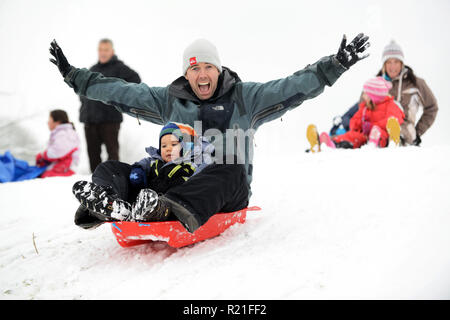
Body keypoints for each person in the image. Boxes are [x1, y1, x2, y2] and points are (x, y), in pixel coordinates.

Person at [49, 33, 370, 233]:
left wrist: (333, 66)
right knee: (112, 168)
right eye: (194, 68)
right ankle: (109, 203)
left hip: (226, 193)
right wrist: (77, 77)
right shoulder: (170, 100)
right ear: (186, 74)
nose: (201, 74)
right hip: (170, 183)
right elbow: (125, 93)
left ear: (218, 69)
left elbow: (291, 86)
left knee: (229, 165)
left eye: (207, 67)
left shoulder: (247, 98)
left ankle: (165, 207)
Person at [73, 122, 214, 229]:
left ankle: (97, 212)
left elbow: (206, 180)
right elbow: (140, 165)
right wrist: (137, 170)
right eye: (164, 146)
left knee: (174, 190)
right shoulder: (153, 161)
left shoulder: (195, 163)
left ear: (188, 146)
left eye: (174, 144)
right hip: (137, 202)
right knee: (110, 167)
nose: (168, 148)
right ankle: (110, 201)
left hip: (168, 207)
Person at [329, 40, 438, 146]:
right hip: (375, 127)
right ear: (384, 64)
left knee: (393, 133)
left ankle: (390, 141)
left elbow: (432, 108)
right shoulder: (375, 84)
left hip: (403, 129)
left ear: (402, 63)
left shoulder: (416, 83)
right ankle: (333, 142)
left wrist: (417, 132)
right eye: (389, 62)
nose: (392, 66)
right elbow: (362, 107)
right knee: (357, 134)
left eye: (396, 62)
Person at [80, 39, 141, 173]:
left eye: (106, 49)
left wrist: (119, 96)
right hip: (89, 119)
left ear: (112, 51)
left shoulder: (119, 68)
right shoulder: (92, 70)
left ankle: (114, 179)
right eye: (100, 49)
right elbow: (83, 89)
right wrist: (84, 102)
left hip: (110, 118)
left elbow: (136, 80)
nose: (103, 53)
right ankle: (95, 181)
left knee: (112, 154)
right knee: (93, 155)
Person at [315, 77, 405, 150]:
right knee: (352, 135)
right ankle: (332, 143)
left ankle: (379, 144)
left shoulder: (390, 105)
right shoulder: (365, 108)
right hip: (364, 136)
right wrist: (361, 124)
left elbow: (394, 121)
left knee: (378, 132)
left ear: (373, 96)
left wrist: (372, 126)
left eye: (366, 93)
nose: (363, 96)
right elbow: (353, 122)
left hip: (382, 135)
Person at [36, 109, 80, 178]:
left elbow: (58, 151)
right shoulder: (62, 133)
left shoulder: (65, 133)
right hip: (61, 167)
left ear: (57, 122)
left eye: (49, 120)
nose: (47, 122)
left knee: (39, 176)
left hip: (64, 169)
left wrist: (43, 155)